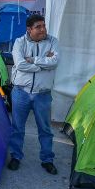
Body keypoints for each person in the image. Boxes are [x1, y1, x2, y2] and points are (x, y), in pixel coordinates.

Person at [7, 14, 60, 175]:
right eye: (38, 27)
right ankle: (16, 157)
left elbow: (55, 62)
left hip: (43, 94)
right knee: (17, 128)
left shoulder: (53, 41)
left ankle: (47, 160)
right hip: (21, 92)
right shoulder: (19, 42)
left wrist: (34, 59)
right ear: (29, 29)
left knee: (45, 129)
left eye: (44, 26)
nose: (43, 29)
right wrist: (43, 64)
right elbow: (20, 64)